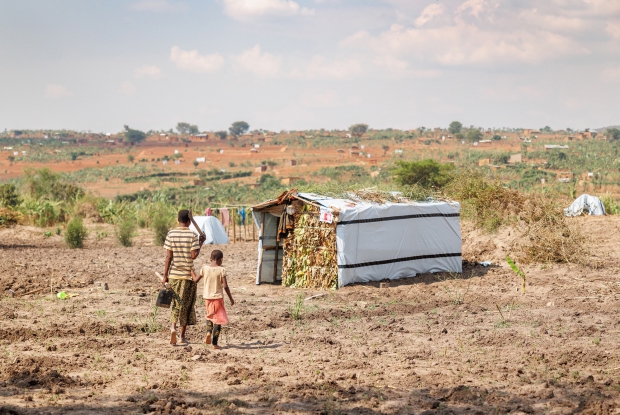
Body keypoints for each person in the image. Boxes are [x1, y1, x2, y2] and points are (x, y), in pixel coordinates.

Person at [163, 209, 205, 345]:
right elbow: (193, 256)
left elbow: (169, 256)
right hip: (187, 276)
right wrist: (200, 243)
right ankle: (181, 337)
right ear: (189, 221)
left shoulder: (171, 234)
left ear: (178, 220)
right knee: (185, 305)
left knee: (175, 304)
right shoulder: (192, 234)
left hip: (174, 275)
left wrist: (165, 276)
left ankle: (172, 328)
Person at [192, 249, 234, 349]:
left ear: (210, 259)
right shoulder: (221, 270)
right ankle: (214, 343)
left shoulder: (204, 268)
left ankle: (208, 332)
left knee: (210, 316)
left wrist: (191, 271)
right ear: (221, 260)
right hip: (218, 298)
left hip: (207, 298)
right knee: (218, 320)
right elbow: (225, 286)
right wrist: (231, 299)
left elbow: (195, 280)